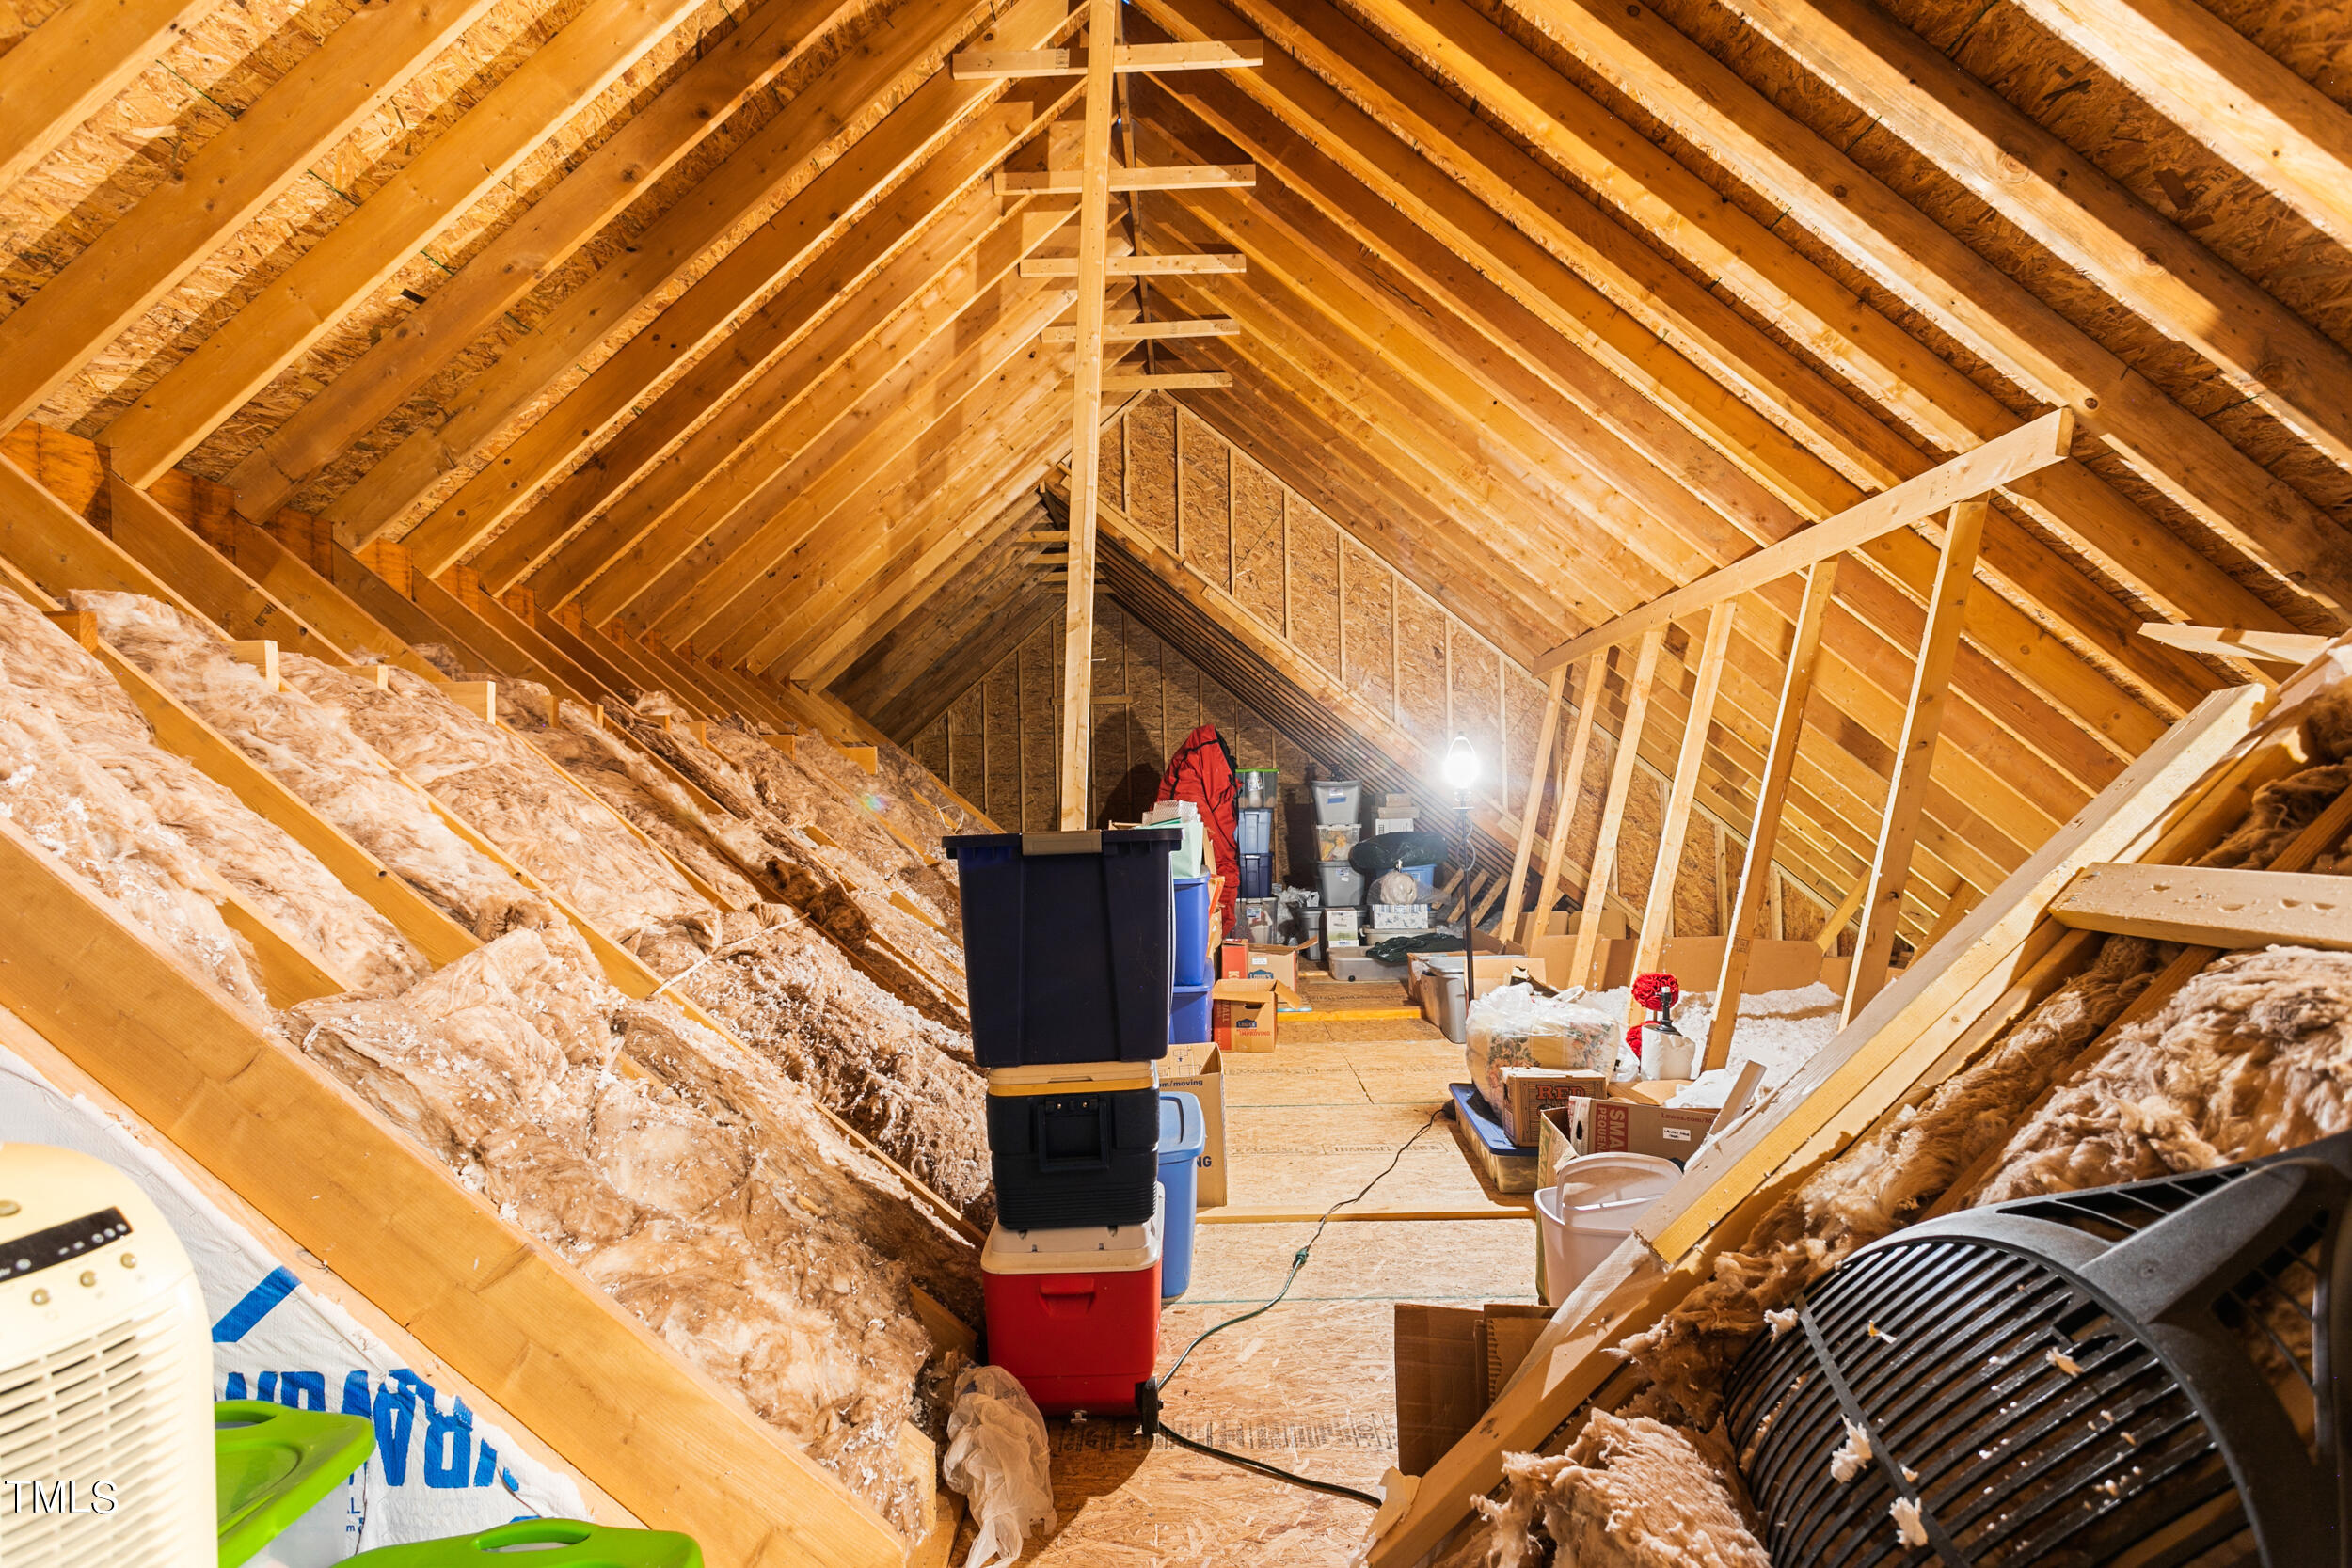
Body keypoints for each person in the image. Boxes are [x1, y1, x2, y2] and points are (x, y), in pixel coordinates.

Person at [1155, 724, 1239, 929]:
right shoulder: (1203, 753)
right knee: (1221, 867)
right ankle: (1217, 934)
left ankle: (1214, 933)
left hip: (1179, 831)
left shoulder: (1193, 756)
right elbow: (1220, 811)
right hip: (1192, 821)